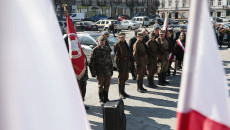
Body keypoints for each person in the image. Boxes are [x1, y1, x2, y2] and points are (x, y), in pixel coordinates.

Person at [63, 34, 89, 110]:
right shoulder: (65, 53)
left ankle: (81, 104)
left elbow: (84, 62)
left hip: (82, 75)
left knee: (82, 90)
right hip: (72, 77)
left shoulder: (78, 50)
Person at [89, 36, 113, 106]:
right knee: (100, 86)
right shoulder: (95, 50)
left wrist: (111, 70)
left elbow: (110, 60)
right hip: (100, 72)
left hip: (107, 71)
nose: (102, 43)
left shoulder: (107, 49)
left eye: (103, 41)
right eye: (101, 41)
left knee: (107, 85)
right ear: (98, 42)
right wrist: (93, 73)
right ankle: (101, 99)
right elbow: (91, 63)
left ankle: (106, 98)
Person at [114, 32, 131, 99]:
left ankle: (123, 91)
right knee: (121, 79)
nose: (123, 38)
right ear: (118, 37)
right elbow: (116, 57)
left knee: (125, 78)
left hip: (126, 64)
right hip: (121, 64)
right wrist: (118, 66)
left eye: (123, 37)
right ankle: (120, 93)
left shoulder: (125, 43)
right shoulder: (117, 45)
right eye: (121, 37)